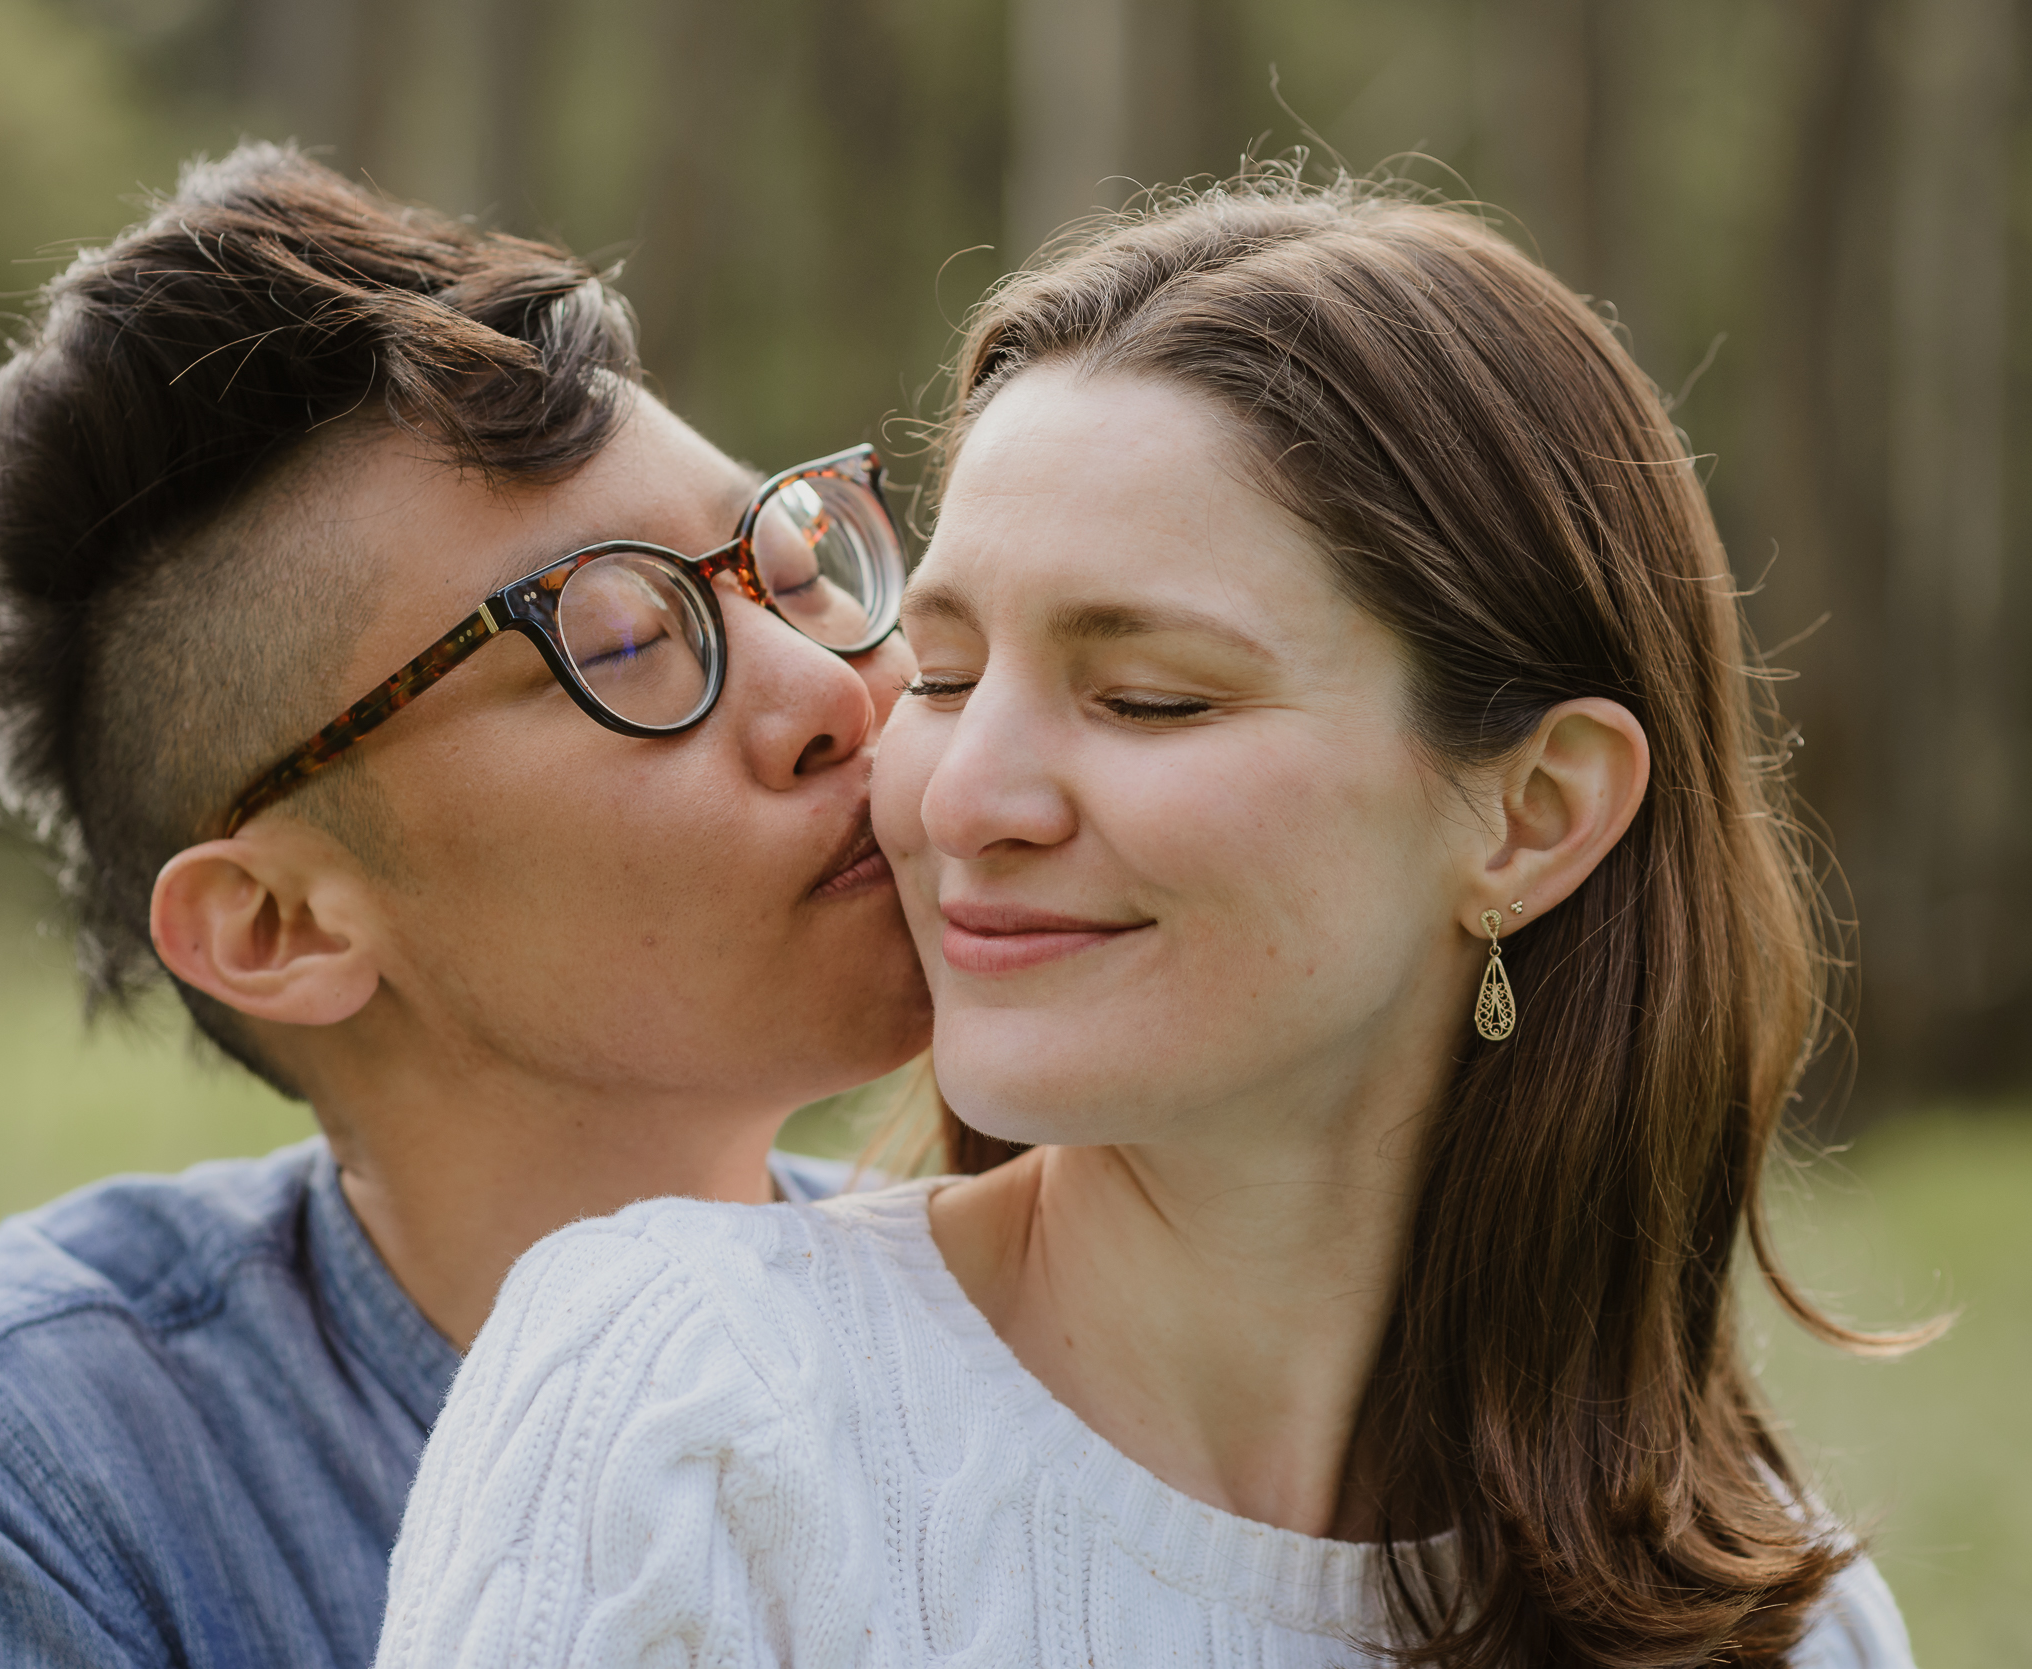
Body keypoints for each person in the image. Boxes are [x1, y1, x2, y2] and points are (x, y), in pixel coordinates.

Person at [376, 180, 1919, 1668]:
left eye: (1146, 696)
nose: (957, 795)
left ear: (1534, 812)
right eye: (944, 673)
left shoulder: (1783, 1632)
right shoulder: (683, 1414)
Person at [0, 142, 933, 1668]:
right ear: (279, 925)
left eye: (782, 563)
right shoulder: (33, 1459)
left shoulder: (1055, 1335)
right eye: (618, 640)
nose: (828, 692)